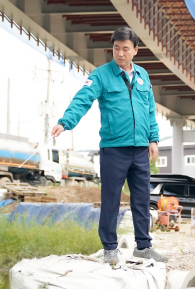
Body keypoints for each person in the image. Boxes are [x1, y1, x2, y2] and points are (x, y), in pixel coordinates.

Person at [51, 26, 167, 265]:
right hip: (114, 148)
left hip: (140, 149)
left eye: (126, 49)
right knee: (111, 199)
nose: (120, 53)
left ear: (135, 50)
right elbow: (82, 99)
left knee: (142, 199)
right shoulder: (101, 75)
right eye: (116, 48)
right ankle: (110, 249)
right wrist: (65, 122)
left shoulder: (143, 75)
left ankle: (144, 246)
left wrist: (153, 140)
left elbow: (149, 110)